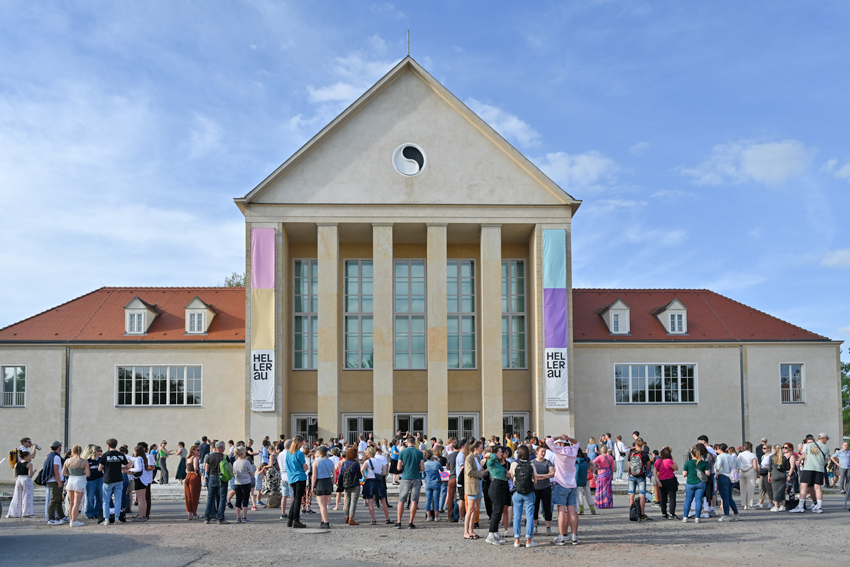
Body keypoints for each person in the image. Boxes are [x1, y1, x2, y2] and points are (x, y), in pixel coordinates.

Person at [546, 434, 581, 546]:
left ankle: (561, 536)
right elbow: (577, 443)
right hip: (572, 483)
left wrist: (558, 436)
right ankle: (574, 535)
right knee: (572, 511)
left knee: (561, 511)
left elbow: (548, 441)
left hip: (561, 483)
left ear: (561, 444)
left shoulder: (559, 450)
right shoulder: (573, 450)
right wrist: (569, 438)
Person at [791, 433, 830, 514]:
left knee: (803, 486)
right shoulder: (826, 448)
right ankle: (819, 507)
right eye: (827, 439)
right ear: (824, 439)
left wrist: (805, 465)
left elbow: (806, 456)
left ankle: (801, 506)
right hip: (819, 469)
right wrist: (820, 465)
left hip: (809, 468)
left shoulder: (809, 445)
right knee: (818, 488)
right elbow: (826, 460)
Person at [509, 445, 539, 548]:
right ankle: (528, 540)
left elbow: (512, 476)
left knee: (517, 516)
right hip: (529, 493)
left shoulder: (514, 464)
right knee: (529, 516)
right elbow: (535, 480)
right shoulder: (531, 464)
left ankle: (517, 540)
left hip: (517, 492)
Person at [395, 436, 425, 529]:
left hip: (405, 478)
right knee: (414, 501)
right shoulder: (419, 452)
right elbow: (422, 468)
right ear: (415, 443)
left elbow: (398, 468)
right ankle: (410, 522)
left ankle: (399, 521)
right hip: (416, 477)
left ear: (407, 443)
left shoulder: (402, 452)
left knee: (401, 500)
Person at [99, 438, 129, 525]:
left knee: (106, 500)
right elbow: (127, 466)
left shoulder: (105, 455)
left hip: (108, 479)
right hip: (118, 478)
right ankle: (116, 518)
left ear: (108, 445)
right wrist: (119, 467)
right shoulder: (120, 455)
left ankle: (106, 519)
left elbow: (100, 468)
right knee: (118, 499)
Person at [361, 446, 391, 525]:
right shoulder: (380, 460)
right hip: (379, 481)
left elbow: (362, 470)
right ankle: (387, 518)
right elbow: (384, 473)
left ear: (368, 454)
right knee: (383, 501)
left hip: (370, 481)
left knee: (370, 502)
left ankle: (374, 520)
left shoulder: (367, 462)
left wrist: (365, 477)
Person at [62, 445, 91, 527]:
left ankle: (72, 520)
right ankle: (74, 521)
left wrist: (70, 473)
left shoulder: (67, 461)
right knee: (77, 503)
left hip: (70, 480)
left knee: (71, 502)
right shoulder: (84, 461)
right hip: (80, 480)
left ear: (73, 451)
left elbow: (63, 473)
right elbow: (88, 474)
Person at [681, 444, 710, 523]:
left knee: (688, 501)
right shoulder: (703, 463)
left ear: (692, 454)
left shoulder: (688, 463)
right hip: (700, 483)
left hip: (690, 483)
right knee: (698, 500)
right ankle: (697, 518)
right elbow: (708, 473)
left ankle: (685, 517)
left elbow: (684, 474)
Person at [285, 434, 309, 528]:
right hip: (300, 477)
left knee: (295, 498)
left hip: (291, 477)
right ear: (300, 442)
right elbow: (305, 467)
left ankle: (290, 519)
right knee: (298, 499)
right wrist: (305, 468)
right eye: (302, 442)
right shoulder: (299, 453)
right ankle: (296, 520)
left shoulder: (288, 453)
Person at [203, 441, 229, 524]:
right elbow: (230, 468)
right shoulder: (224, 456)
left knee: (210, 497)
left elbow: (206, 469)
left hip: (212, 477)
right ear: (221, 448)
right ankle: (220, 518)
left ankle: (207, 518)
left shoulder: (209, 456)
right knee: (222, 497)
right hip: (222, 478)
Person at [463, 440, 485, 540]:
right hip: (471, 486)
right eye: (481, 448)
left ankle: (471, 530)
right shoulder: (469, 458)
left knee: (476, 509)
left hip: (478, 485)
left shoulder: (477, 458)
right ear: (476, 448)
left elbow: (477, 471)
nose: (482, 449)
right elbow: (469, 472)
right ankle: (466, 532)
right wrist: (480, 474)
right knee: (470, 509)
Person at [532, 445, 555, 536]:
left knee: (547, 508)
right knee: (535, 508)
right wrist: (545, 476)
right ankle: (535, 526)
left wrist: (540, 476)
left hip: (546, 487)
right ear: (537, 452)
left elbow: (552, 474)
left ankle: (548, 528)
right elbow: (532, 476)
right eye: (541, 451)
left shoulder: (547, 462)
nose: (543, 453)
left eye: (544, 451)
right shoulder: (532, 462)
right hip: (535, 488)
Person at [713, 443, 740, 521]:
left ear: (720, 449)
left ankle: (726, 515)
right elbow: (738, 464)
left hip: (723, 476)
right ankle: (736, 514)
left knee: (724, 497)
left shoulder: (720, 457)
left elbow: (717, 466)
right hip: (732, 477)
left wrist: (717, 472)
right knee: (729, 497)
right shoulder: (731, 456)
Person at [627, 438, 652, 521]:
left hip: (632, 476)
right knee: (642, 495)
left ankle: (632, 512)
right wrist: (645, 470)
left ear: (635, 444)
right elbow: (648, 465)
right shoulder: (644, 454)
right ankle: (642, 514)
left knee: (631, 495)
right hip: (641, 476)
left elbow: (628, 465)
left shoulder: (631, 454)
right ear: (642, 445)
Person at [6, 449, 35, 518]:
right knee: (26, 495)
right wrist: (34, 471)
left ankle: (14, 512)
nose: (30, 457)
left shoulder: (16, 464)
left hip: (19, 479)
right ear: (25, 457)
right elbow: (30, 475)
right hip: (26, 479)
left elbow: (15, 475)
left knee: (17, 495)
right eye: (29, 456)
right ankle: (26, 513)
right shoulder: (29, 464)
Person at [312, 445, 334, 529]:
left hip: (320, 482)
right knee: (324, 504)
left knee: (321, 505)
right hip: (328, 481)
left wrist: (312, 487)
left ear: (319, 452)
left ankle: (326, 521)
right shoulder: (330, 461)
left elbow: (314, 476)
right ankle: (322, 520)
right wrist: (332, 483)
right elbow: (334, 474)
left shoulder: (316, 462)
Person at [654, 446, 679, 519]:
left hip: (661, 480)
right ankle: (672, 513)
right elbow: (676, 468)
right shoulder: (669, 461)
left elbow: (655, 472)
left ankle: (664, 513)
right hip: (670, 480)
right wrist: (673, 459)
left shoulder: (658, 461)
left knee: (663, 498)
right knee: (672, 497)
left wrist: (658, 481)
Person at [232, 446, 255, 523]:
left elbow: (234, 473)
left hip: (237, 482)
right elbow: (251, 473)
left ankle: (238, 517)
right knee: (245, 500)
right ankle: (244, 517)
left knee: (238, 499)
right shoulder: (246, 462)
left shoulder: (235, 462)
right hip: (245, 482)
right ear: (242, 453)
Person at [338, 447, 361, 526]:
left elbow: (341, 474)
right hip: (355, 484)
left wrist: (340, 484)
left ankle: (347, 516)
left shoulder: (344, 463)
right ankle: (351, 518)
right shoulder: (356, 464)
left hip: (346, 484)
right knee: (353, 502)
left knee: (347, 500)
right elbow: (359, 475)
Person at [81, 444, 104, 522]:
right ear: (96, 452)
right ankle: (90, 513)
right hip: (90, 481)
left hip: (100, 479)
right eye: (100, 451)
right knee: (90, 498)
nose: (101, 452)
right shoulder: (88, 460)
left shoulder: (101, 459)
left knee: (99, 497)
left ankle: (98, 513)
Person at [769, 443, 794, 512]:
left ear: (774, 449)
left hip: (775, 474)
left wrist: (769, 476)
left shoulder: (772, 457)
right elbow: (787, 467)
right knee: (782, 491)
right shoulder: (784, 458)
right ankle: (783, 506)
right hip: (782, 475)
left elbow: (769, 468)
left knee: (775, 491)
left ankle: (776, 505)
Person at [737, 442, 759, 509]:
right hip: (750, 471)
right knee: (750, 488)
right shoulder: (753, 455)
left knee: (743, 488)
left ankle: (745, 504)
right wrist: (758, 473)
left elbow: (737, 463)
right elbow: (755, 466)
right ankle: (750, 504)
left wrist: (738, 471)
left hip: (741, 471)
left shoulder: (740, 454)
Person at [183, 444, 202, 520]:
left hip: (188, 476)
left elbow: (187, 468)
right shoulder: (195, 458)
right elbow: (196, 468)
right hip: (194, 476)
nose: (199, 451)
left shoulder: (188, 458)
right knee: (194, 495)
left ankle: (189, 513)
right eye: (197, 450)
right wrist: (199, 473)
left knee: (188, 495)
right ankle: (194, 513)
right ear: (193, 451)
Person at [593, 445, 614, 509]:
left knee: (601, 488)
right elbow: (612, 467)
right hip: (608, 473)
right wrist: (612, 475)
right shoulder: (610, 457)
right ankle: (608, 503)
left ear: (601, 450)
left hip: (602, 473)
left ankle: (601, 503)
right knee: (608, 489)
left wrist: (596, 468)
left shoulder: (600, 457)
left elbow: (593, 462)